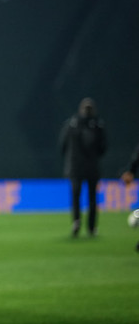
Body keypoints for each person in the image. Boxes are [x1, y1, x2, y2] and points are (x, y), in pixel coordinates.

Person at [59, 97, 107, 237]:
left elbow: (62, 145)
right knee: (92, 197)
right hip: (92, 167)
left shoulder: (71, 124)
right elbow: (103, 147)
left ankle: (76, 222)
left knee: (76, 196)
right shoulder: (98, 125)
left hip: (75, 166)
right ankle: (91, 227)